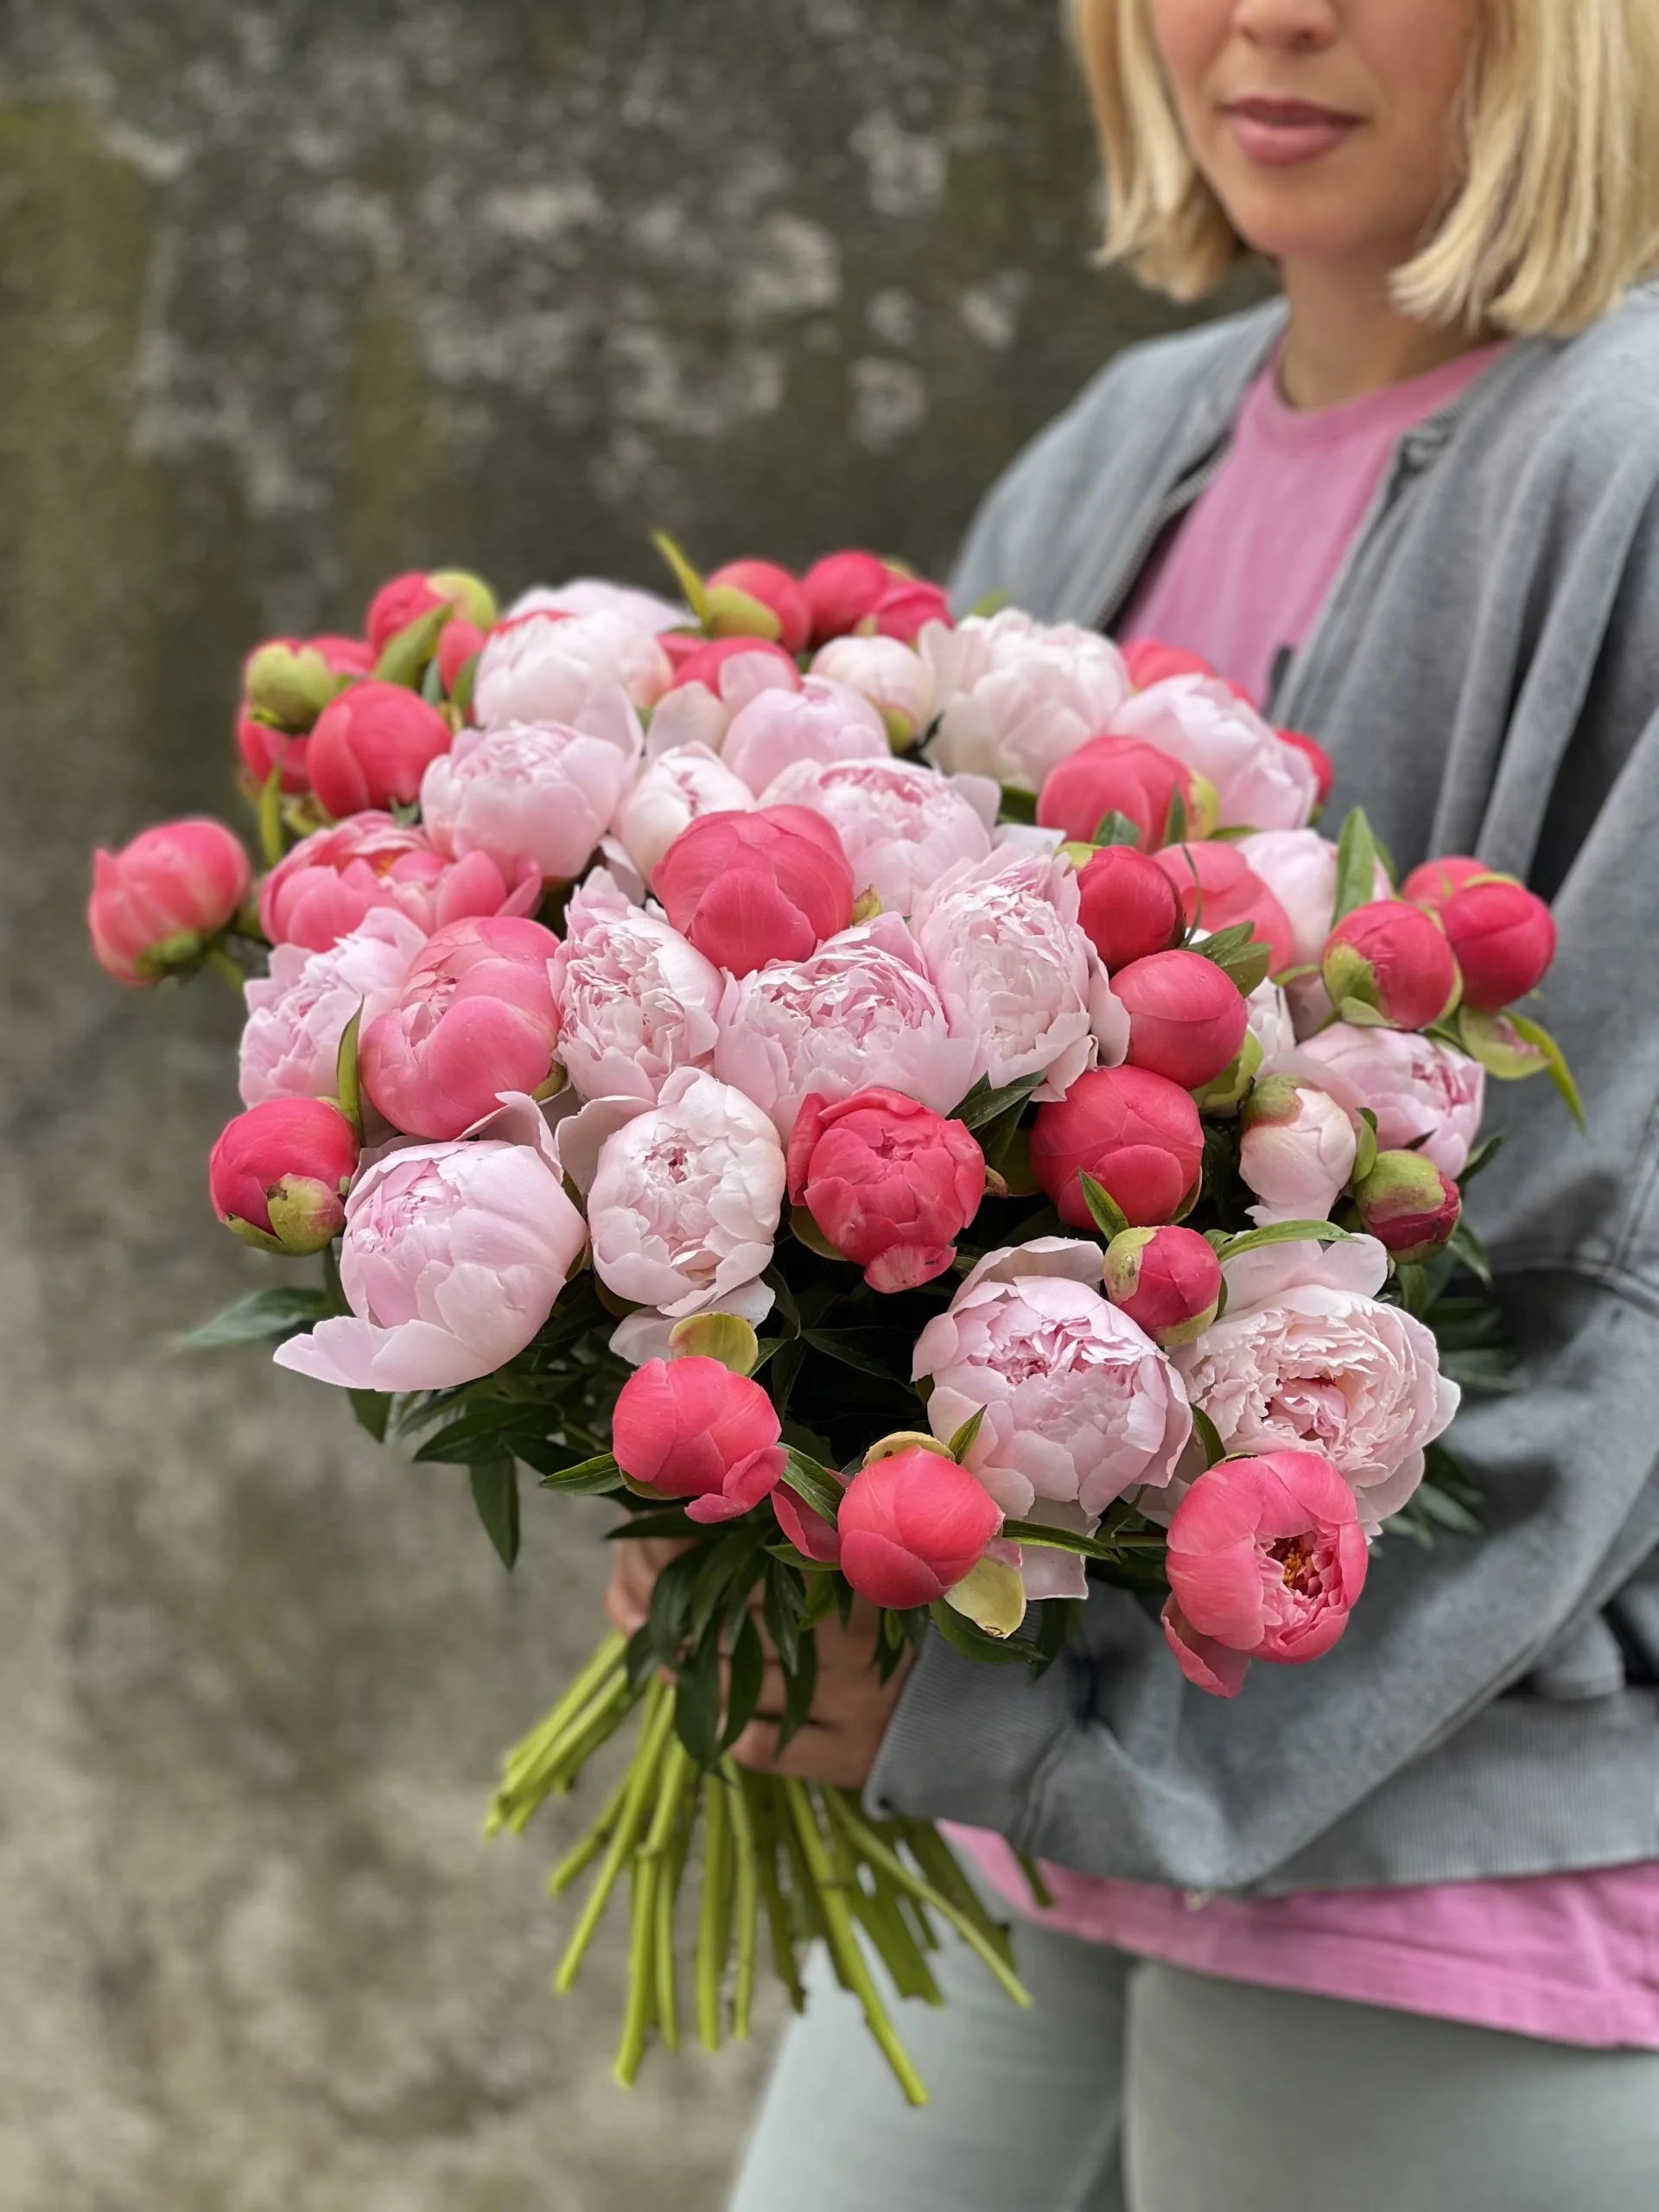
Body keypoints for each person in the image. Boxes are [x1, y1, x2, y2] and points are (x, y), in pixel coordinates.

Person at [613, 3, 1659, 2204]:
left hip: (1448, 1885)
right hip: (1022, 1836)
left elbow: (1609, 1287)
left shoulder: (1632, 462)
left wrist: (1014, 1719)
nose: (1267, 13)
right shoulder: (1129, 443)